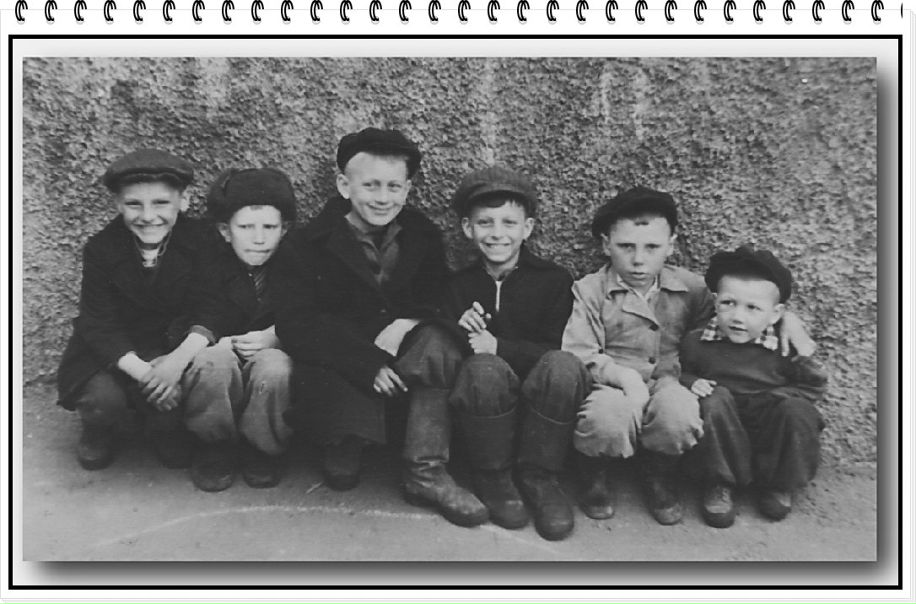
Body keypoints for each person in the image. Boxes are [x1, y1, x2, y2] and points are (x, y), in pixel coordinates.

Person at [562, 186, 816, 526]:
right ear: (607, 245)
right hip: (613, 382)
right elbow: (580, 350)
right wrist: (623, 377)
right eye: (626, 246)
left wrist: (788, 320)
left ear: (671, 245)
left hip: (670, 380)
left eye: (652, 247)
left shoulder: (690, 287)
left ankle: (658, 473)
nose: (638, 259)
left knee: (680, 415)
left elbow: (734, 311)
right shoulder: (590, 289)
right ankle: (595, 475)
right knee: (606, 417)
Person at [274, 128, 487, 527]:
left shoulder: (422, 234)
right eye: (370, 185)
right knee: (342, 476)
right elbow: (297, 323)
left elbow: (438, 297)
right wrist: (366, 363)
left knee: (438, 341)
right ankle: (346, 439)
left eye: (393, 186)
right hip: (343, 362)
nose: (383, 197)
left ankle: (425, 470)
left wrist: (408, 322)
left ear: (407, 190)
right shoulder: (306, 244)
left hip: (404, 357)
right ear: (344, 185)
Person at [444, 165, 590, 541]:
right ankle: (493, 475)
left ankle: (540, 477)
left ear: (527, 228)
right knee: (482, 368)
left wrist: (500, 346)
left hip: (543, 408)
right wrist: (460, 328)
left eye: (509, 223)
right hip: (487, 414)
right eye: (485, 223)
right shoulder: (456, 285)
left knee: (563, 365)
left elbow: (560, 346)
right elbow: (451, 351)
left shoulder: (554, 280)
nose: (497, 234)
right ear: (467, 228)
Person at [56, 148, 221, 472]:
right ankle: (98, 428)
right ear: (118, 204)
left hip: (170, 347)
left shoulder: (203, 240)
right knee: (103, 400)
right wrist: (147, 375)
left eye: (160, 203)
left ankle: (163, 427)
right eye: (134, 204)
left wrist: (176, 361)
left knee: (176, 406)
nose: (148, 216)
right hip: (115, 351)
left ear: (183, 201)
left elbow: (212, 305)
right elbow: (98, 322)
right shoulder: (101, 249)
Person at [680, 245, 827, 528]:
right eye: (728, 303)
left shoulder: (784, 347)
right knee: (712, 401)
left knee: (797, 411)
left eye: (753, 308)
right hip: (722, 430)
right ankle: (719, 483)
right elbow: (678, 372)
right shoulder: (697, 342)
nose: (738, 317)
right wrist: (691, 382)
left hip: (768, 425)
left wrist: (777, 397)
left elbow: (814, 387)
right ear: (715, 302)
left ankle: (778, 484)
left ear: (775, 314)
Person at [180, 167, 297, 492]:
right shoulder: (206, 262)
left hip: (269, 359)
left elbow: (310, 314)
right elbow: (190, 313)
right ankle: (214, 445)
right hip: (219, 353)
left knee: (276, 368)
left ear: (285, 229)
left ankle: (263, 446)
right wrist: (216, 341)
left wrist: (278, 335)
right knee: (212, 363)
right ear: (225, 231)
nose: (258, 238)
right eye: (245, 227)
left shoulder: (296, 263)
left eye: (269, 227)